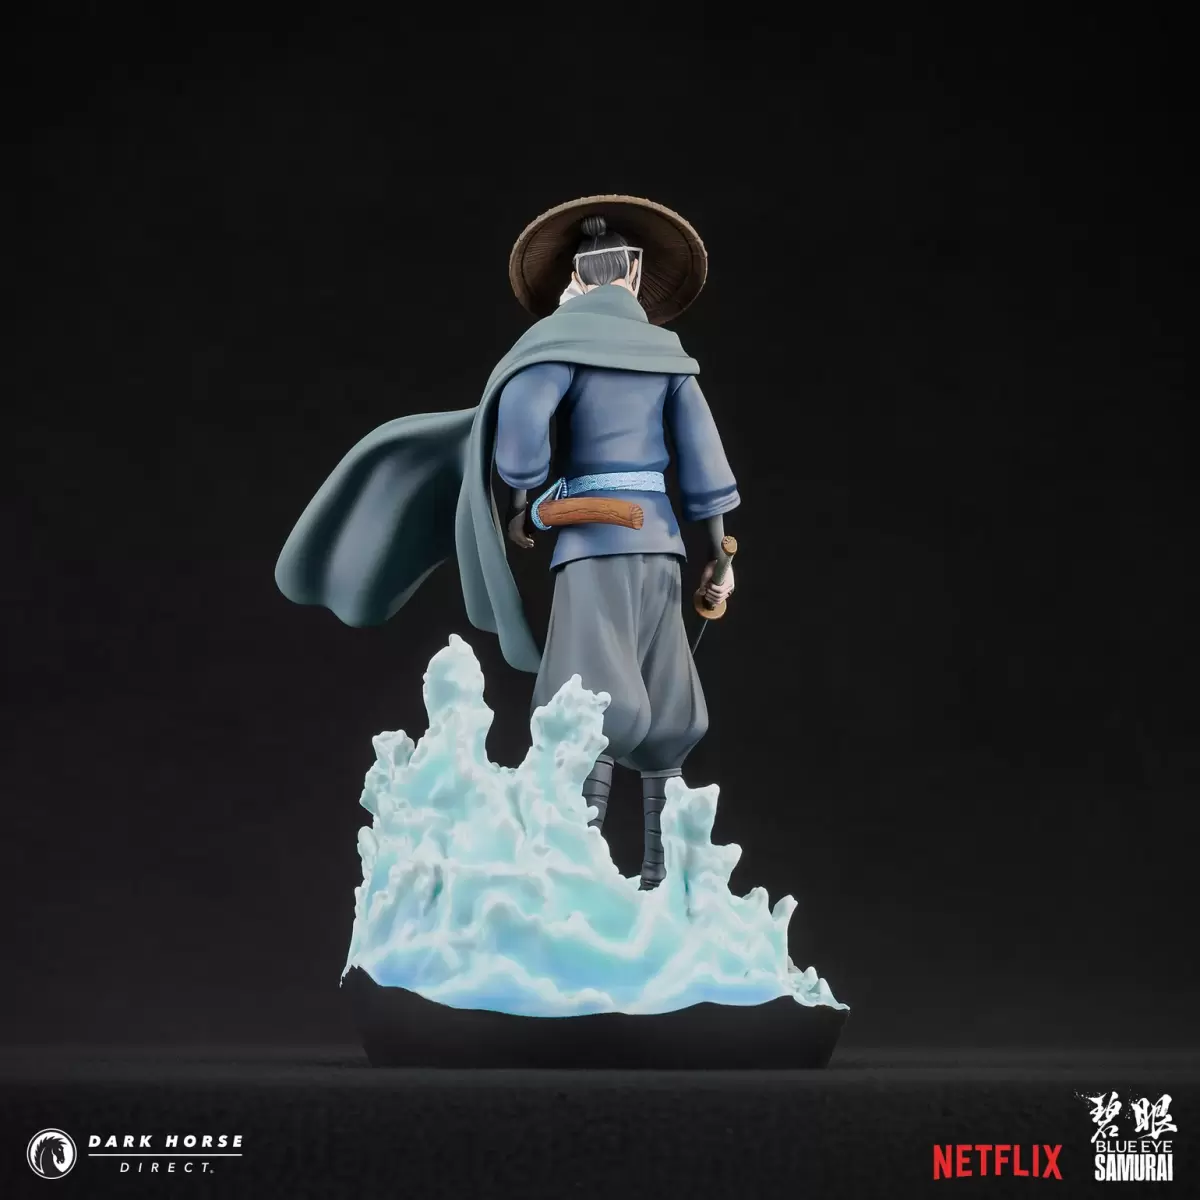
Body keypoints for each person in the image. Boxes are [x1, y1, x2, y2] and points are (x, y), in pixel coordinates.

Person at [275, 196, 739, 889]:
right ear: (636, 275)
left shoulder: (560, 347)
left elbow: (521, 437)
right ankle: (659, 873)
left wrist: (524, 504)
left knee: (592, 701)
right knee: (665, 699)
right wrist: (719, 555)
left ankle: (581, 873)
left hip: (593, 543)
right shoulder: (668, 359)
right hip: (664, 544)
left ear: (576, 278)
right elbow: (705, 463)